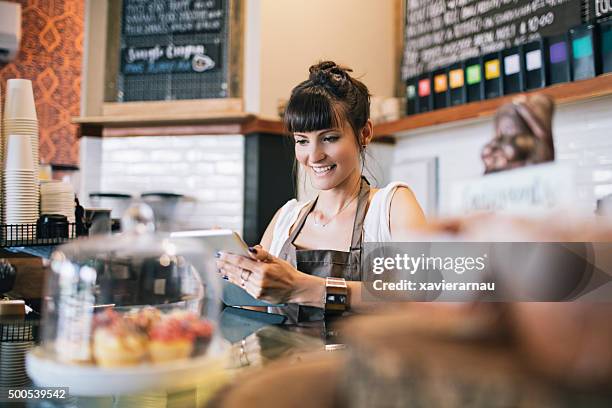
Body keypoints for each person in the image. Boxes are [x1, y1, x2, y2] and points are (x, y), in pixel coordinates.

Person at [216, 61, 426, 323]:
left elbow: (423, 297)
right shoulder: (286, 218)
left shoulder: (392, 206)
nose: (313, 156)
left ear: (365, 133)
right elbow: (256, 314)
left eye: (329, 138)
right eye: (302, 141)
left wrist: (301, 288)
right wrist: (236, 274)